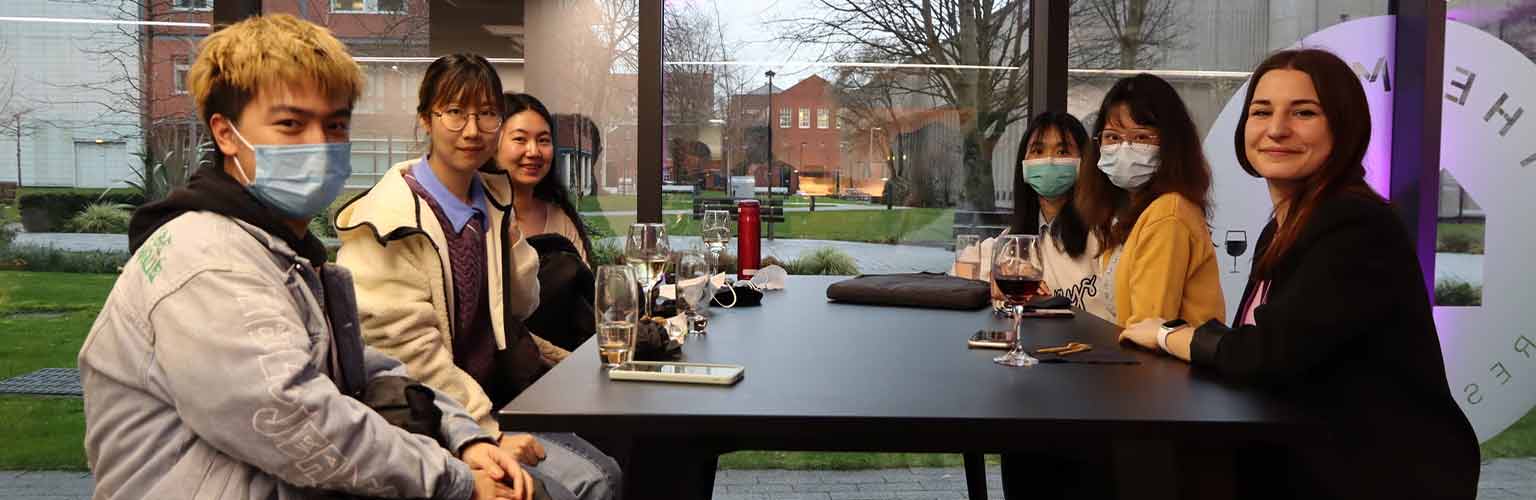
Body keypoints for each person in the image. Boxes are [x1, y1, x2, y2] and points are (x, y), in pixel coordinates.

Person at [80, 15, 534, 500]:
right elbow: (298, 416)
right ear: (226, 134)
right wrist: (455, 480)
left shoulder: (282, 251)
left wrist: (464, 436)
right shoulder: (208, 262)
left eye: (335, 124)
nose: (319, 142)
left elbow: (364, 365)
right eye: (291, 124)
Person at [1118, 49, 1480, 498]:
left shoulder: (1354, 223)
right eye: (1261, 111)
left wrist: (1168, 334)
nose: (1276, 129)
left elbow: (1270, 352)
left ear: (1343, 127)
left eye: (1304, 112)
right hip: (1306, 459)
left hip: (1379, 474)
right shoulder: (1284, 226)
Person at [336, 54, 620, 500]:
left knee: (606, 471)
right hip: (430, 423)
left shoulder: (489, 202)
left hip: (496, 400)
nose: (472, 130)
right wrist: (485, 431)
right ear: (425, 120)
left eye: (487, 114)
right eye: (454, 112)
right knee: (582, 484)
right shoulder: (390, 219)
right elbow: (411, 359)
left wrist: (506, 231)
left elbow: (523, 305)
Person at [1074, 73, 1223, 327]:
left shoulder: (1168, 213)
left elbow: (1149, 328)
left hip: (1165, 365)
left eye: (1141, 137)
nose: (1124, 149)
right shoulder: (1129, 213)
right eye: (1112, 137)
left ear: (1171, 145)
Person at [498, 94, 597, 352]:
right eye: (520, 139)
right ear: (493, 144)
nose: (534, 151)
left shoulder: (560, 216)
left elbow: (589, 296)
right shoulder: (479, 220)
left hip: (573, 364)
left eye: (543, 140)